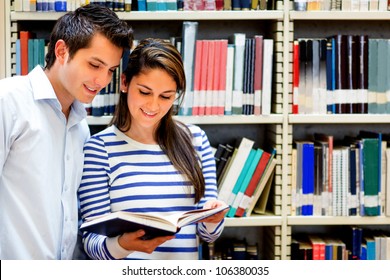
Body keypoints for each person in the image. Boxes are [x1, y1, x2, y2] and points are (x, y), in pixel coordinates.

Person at [0, 4, 133, 259]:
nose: (103, 81)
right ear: (62, 51)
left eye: (111, 70)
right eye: (95, 65)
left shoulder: (80, 125)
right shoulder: (8, 101)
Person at [78, 38, 228, 260]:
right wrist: (122, 245)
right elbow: (90, 241)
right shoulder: (99, 149)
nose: (153, 106)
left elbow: (208, 235)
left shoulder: (196, 140)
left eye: (166, 96)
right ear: (125, 83)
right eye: (145, 92)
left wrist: (213, 219)